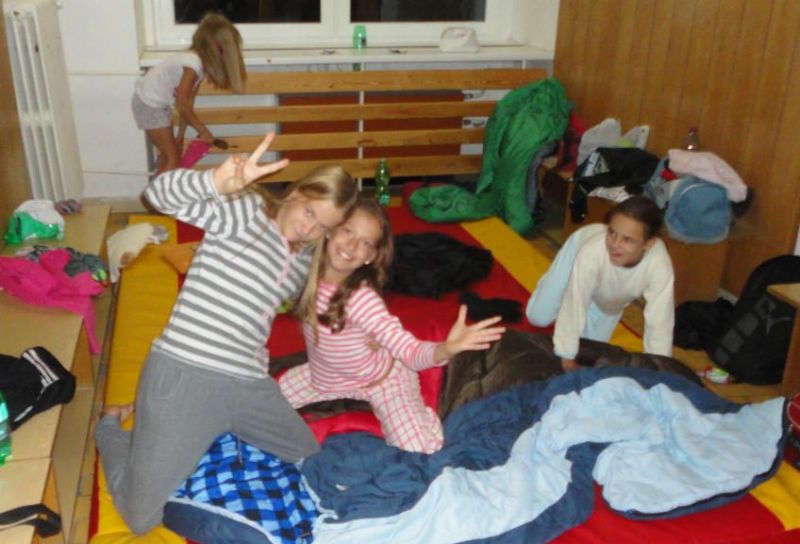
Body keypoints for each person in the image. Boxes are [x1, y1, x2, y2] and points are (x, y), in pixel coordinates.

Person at [95, 133, 358, 534]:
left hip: (249, 387)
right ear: (295, 193)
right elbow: (157, 194)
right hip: (187, 373)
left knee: (311, 461)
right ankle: (110, 426)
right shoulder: (246, 212)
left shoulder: (303, 261)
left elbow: (316, 301)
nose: (308, 228)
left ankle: (187, 441)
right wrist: (215, 183)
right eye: (308, 212)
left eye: (322, 227)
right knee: (140, 515)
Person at [279, 197, 506, 454]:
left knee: (418, 449)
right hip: (323, 378)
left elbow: (409, 351)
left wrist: (447, 348)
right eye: (348, 231)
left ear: (371, 256)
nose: (352, 245)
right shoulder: (306, 271)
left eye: (365, 243)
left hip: (381, 380)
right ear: (330, 229)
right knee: (262, 405)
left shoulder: (362, 300)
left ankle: (422, 416)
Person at [526, 196, 674, 372]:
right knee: (539, 317)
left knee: (590, 350)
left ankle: (593, 300)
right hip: (578, 252)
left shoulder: (659, 266)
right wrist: (566, 356)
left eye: (627, 239)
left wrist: (659, 370)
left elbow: (660, 322)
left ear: (648, 244)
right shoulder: (592, 251)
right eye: (612, 232)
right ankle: (554, 285)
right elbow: (575, 302)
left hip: (609, 299)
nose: (615, 244)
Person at [131, 12, 246, 174]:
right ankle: (162, 189)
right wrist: (203, 131)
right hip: (149, 104)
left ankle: (160, 188)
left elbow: (187, 104)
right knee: (172, 158)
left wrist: (180, 138)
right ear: (213, 46)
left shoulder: (197, 64)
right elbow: (182, 104)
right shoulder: (193, 64)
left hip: (155, 104)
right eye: (223, 51)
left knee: (169, 155)